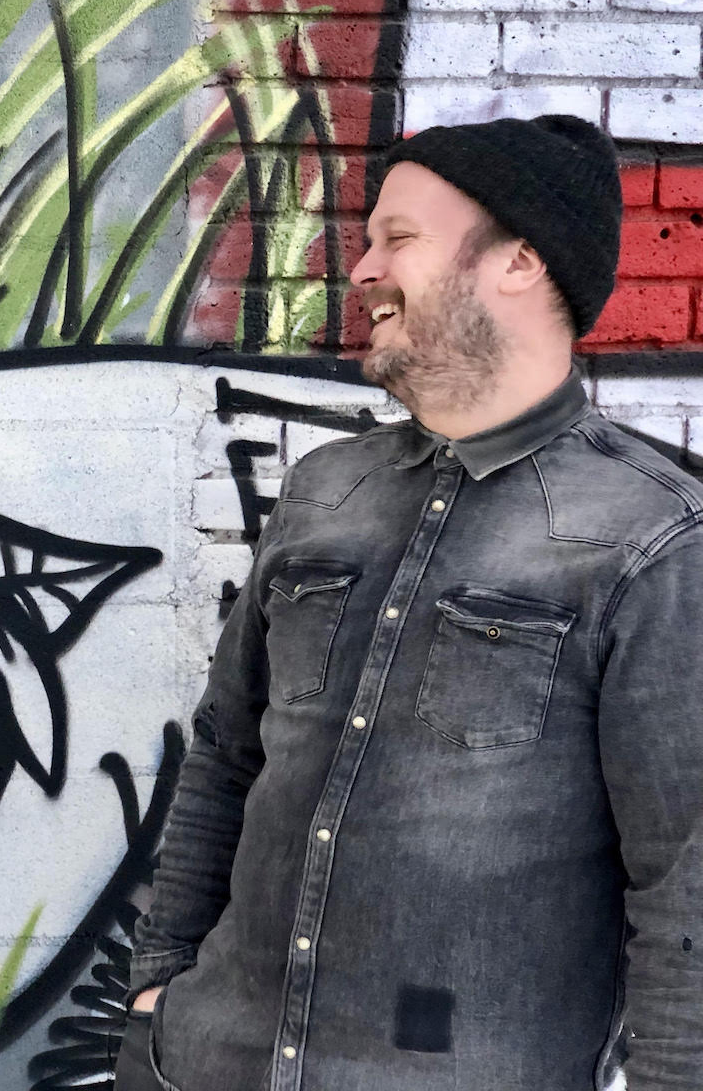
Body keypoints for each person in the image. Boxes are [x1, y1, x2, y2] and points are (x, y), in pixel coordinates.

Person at [114, 116, 703, 1090]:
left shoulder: (652, 536)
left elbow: (685, 883)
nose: (362, 269)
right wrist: (156, 996)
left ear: (518, 261)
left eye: (400, 238)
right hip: (205, 1063)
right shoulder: (325, 489)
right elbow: (225, 757)